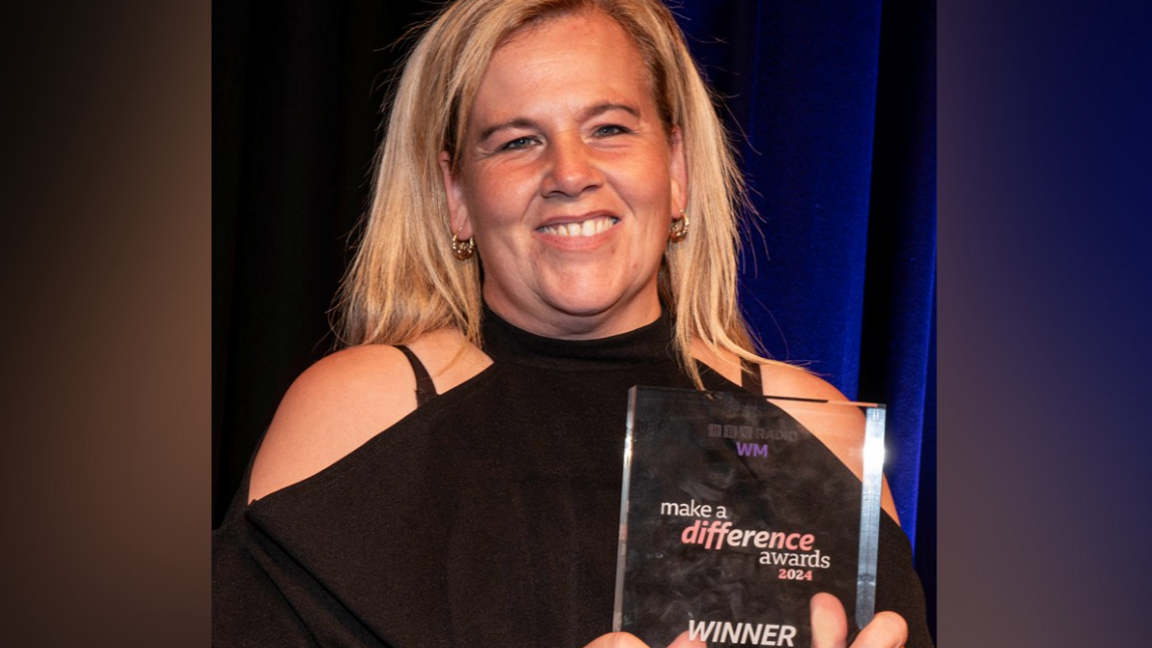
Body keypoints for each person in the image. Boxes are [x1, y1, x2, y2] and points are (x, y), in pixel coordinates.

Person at [212, 1, 932, 646]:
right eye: (517, 141)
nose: (569, 172)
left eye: (610, 128)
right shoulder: (359, 417)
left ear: (676, 169)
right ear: (455, 195)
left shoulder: (811, 429)